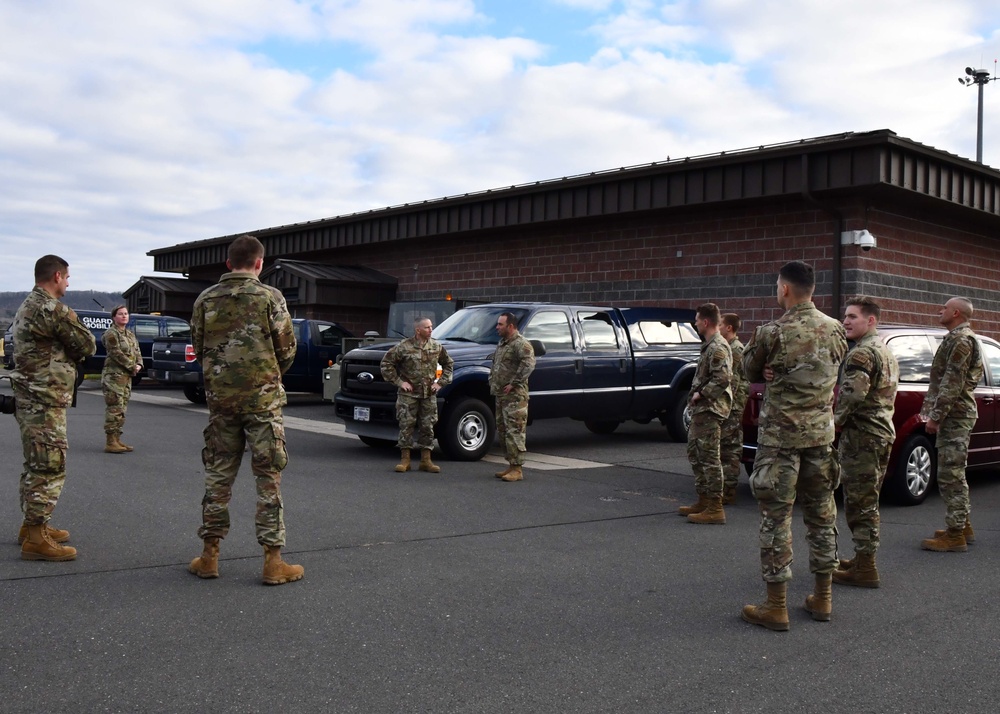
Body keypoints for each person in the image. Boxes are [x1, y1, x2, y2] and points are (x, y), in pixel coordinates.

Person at [187, 235, 303, 586]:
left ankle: (209, 556)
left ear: (227, 264)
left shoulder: (205, 299)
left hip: (222, 403)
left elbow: (198, 345)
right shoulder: (271, 297)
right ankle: (272, 561)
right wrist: (266, 378)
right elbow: (287, 349)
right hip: (263, 403)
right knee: (268, 477)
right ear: (259, 264)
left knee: (218, 476)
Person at [741, 261, 847, 631]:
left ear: (785, 289)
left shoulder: (772, 331)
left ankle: (776, 606)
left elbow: (748, 370)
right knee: (822, 516)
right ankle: (823, 598)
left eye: (776, 285)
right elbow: (834, 368)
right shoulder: (836, 329)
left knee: (776, 519)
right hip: (821, 438)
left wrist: (769, 370)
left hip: (781, 442)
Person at [11, 255, 96, 561]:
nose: (68, 283)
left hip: (31, 397)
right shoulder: (51, 308)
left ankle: (31, 526)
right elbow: (87, 345)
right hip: (44, 399)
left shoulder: (26, 305)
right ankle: (36, 538)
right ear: (57, 276)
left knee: (35, 463)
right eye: (67, 277)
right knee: (49, 466)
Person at [832, 297, 898, 588]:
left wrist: (833, 423)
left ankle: (866, 568)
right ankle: (862, 558)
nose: (846, 321)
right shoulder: (882, 349)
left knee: (861, 503)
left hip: (864, 437)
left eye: (852, 317)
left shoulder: (863, 353)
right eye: (845, 316)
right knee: (866, 500)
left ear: (870, 320)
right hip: (877, 434)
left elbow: (852, 395)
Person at [919, 297, 982, 553]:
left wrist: (936, 416)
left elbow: (952, 382)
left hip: (955, 415)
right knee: (954, 471)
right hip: (955, 414)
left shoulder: (960, 340)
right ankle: (962, 524)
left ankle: (955, 535)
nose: (939, 309)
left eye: (944, 308)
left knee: (950, 474)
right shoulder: (958, 338)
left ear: (955, 313)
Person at [678, 303, 732, 524]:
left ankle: (715, 508)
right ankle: (703, 499)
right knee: (696, 454)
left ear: (706, 322)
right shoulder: (709, 346)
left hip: (711, 410)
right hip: (702, 411)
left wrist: (702, 394)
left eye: (697, 320)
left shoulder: (718, 347)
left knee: (710, 458)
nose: (696, 323)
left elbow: (723, 377)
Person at [380, 317, 454, 473]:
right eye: (427, 327)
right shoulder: (404, 347)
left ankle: (426, 460)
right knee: (406, 426)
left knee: (428, 426)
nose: (430, 329)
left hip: (428, 394)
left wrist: (439, 383)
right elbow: (386, 364)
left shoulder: (436, 346)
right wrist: (400, 382)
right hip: (409, 395)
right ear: (418, 330)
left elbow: (448, 364)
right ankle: (405, 460)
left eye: (431, 327)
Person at [489, 312, 536, 482]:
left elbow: (529, 365)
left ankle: (517, 469)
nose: (497, 327)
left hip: (515, 397)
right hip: (501, 396)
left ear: (510, 326)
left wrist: (514, 383)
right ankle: (510, 464)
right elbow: (496, 365)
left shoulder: (521, 344)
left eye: (500, 324)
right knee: (503, 431)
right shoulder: (503, 344)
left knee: (515, 431)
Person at [101, 305, 143, 454]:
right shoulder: (111, 334)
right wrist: (132, 366)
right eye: (120, 314)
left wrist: (139, 364)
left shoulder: (130, 334)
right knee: (114, 408)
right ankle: (110, 441)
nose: (124, 316)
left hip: (126, 377)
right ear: (114, 317)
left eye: (126, 313)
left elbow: (137, 351)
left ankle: (117, 439)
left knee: (122, 408)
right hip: (114, 377)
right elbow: (116, 353)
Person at [719, 313, 748, 505]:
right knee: (724, 447)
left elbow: (734, 383)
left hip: (733, 407)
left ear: (729, 328)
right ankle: (724, 487)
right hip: (730, 405)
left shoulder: (736, 350)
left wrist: (727, 407)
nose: (718, 327)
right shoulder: (729, 348)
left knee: (730, 449)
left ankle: (728, 489)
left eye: (720, 324)